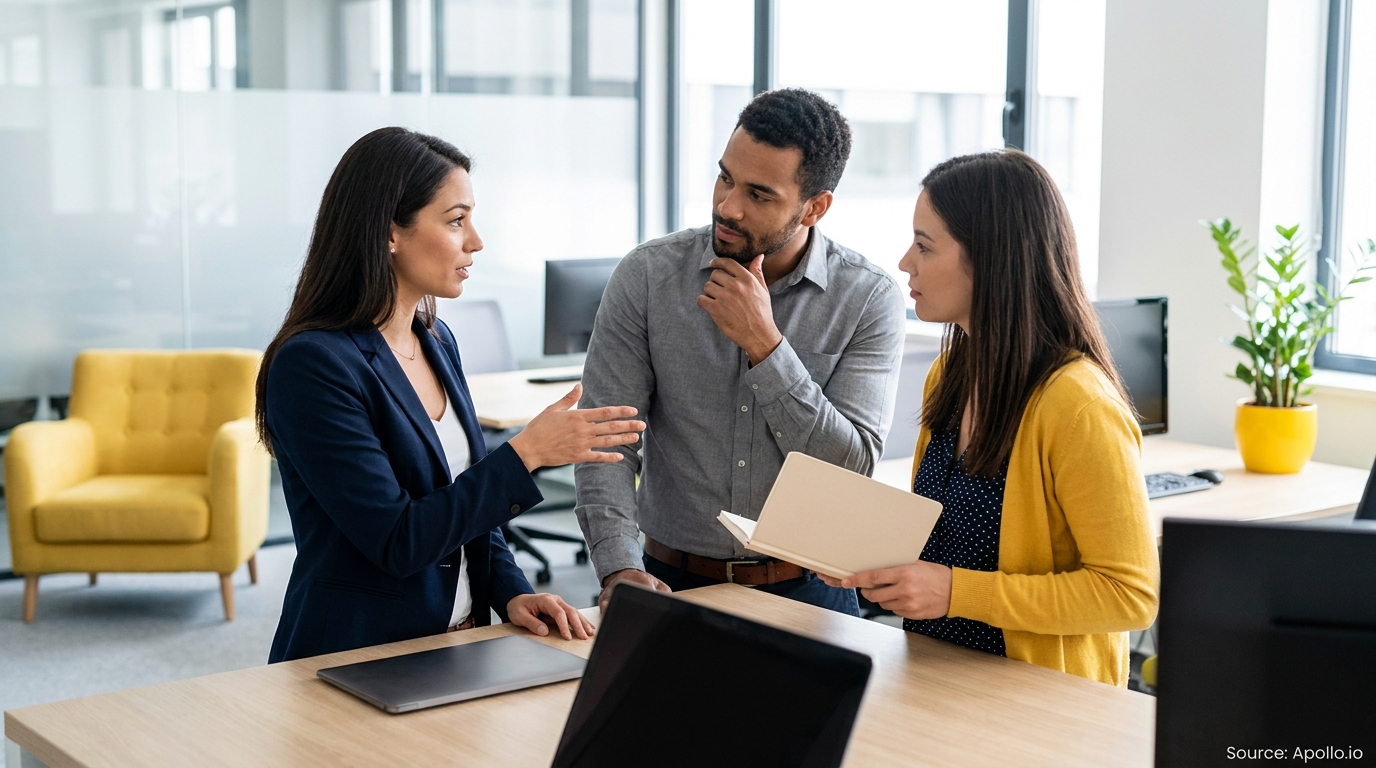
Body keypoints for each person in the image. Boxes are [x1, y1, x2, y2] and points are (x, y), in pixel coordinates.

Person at [259, 128, 644, 662]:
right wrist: (526, 453)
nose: (476, 241)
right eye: (456, 220)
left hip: (458, 642)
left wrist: (510, 592)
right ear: (390, 231)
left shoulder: (436, 340)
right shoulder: (313, 366)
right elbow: (399, 540)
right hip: (356, 656)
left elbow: (465, 507)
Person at [819, 149, 1159, 686]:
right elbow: (942, 540)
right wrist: (867, 556)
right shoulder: (951, 373)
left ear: (991, 258)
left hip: (1035, 698)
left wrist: (955, 592)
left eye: (924, 245)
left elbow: (1130, 595)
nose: (905, 262)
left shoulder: (1078, 404)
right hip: (935, 672)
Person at [576, 88, 906, 615]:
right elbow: (606, 441)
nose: (727, 207)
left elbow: (853, 466)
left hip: (813, 594)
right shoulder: (647, 275)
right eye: (725, 177)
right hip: (666, 581)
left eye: (759, 194)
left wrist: (765, 345)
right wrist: (619, 565)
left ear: (815, 207)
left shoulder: (867, 298)